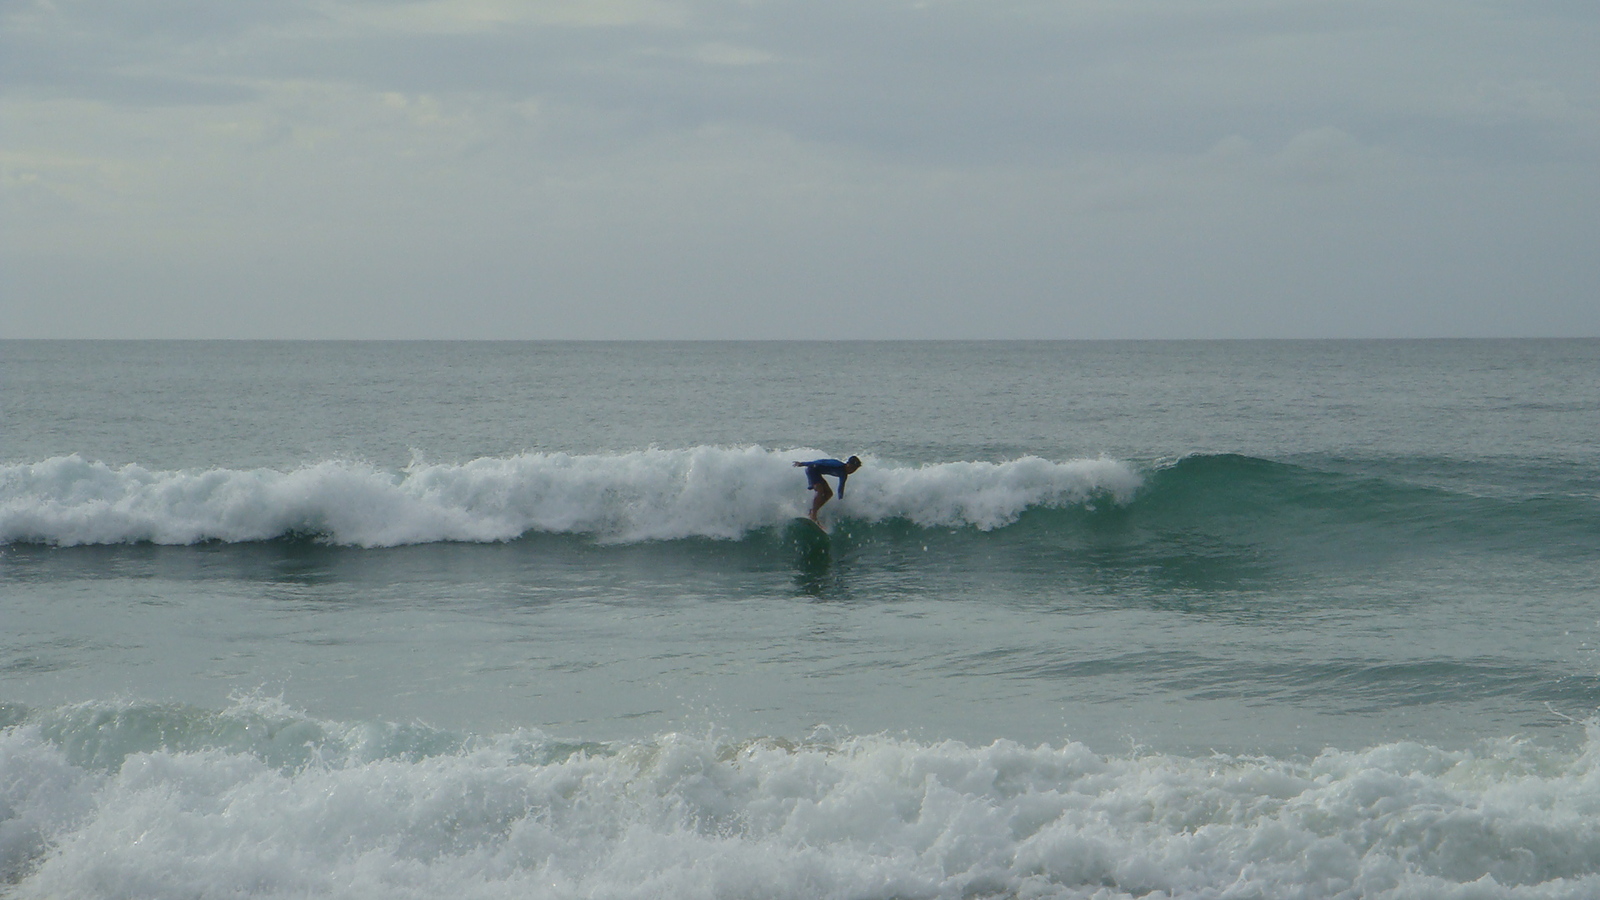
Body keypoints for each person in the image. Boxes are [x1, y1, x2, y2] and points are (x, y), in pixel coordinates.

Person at [793, 456, 862, 523]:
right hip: (812, 469)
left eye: (855, 469)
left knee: (829, 493)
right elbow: (820, 462)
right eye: (852, 468)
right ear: (848, 464)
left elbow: (841, 487)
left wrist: (840, 500)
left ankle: (812, 511)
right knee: (820, 491)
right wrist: (802, 464)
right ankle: (813, 514)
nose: (852, 471)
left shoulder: (843, 475)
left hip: (817, 474)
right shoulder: (837, 464)